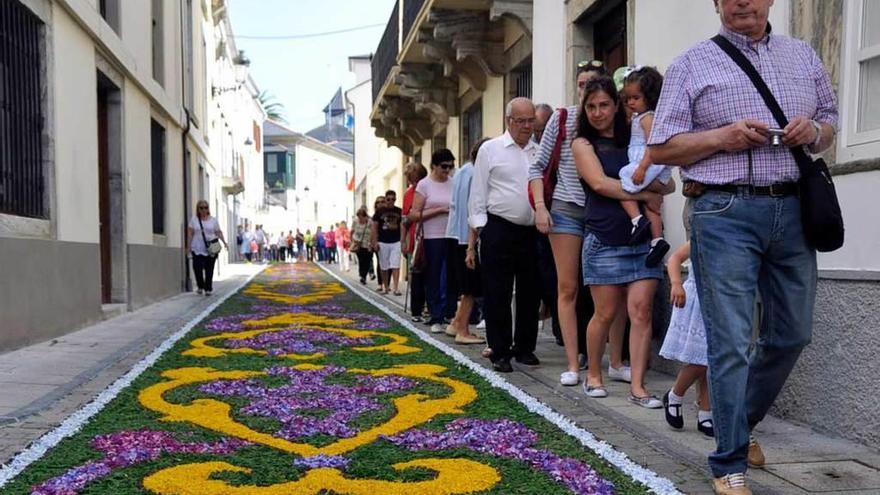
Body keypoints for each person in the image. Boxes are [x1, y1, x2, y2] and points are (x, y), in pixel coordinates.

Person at [647, 1, 838, 492]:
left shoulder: (804, 56)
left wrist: (812, 130)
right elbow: (661, 149)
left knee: (793, 332)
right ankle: (728, 463)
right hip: (723, 212)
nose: (741, 3)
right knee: (730, 339)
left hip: (793, 210)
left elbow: (830, 125)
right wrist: (721, 137)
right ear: (716, 4)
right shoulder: (691, 62)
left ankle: (738, 425)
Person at [571, 76, 671, 406]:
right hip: (604, 238)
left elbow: (667, 183)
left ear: (616, 105)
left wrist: (656, 189)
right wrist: (646, 192)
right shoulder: (582, 144)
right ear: (584, 110)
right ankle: (594, 374)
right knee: (605, 314)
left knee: (641, 312)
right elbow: (600, 185)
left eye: (604, 105)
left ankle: (638, 387)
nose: (598, 112)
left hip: (643, 242)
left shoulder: (637, 136)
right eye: (591, 106)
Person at [530, 62, 614, 386]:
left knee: (603, 290)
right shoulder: (562, 118)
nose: (586, 90)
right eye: (581, 84)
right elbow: (537, 166)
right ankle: (572, 364)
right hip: (566, 208)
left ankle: (605, 360)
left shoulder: (610, 120)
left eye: (593, 83)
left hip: (604, 210)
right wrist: (540, 207)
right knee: (567, 287)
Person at [468, 97, 541, 374]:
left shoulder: (537, 151)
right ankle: (500, 351)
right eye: (520, 121)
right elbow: (479, 192)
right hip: (499, 226)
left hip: (531, 229)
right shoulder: (491, 149)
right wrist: (482, 227)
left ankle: (524, 347)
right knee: (497, 290)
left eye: (530, 120)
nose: (526, 126)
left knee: (529, 290)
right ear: (508, 121)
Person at [618, 66, 672, 267]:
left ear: (649, 96)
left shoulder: (647, 117)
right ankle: (657, 240)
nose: (631, 102)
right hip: (649, 164)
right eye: (628, 98)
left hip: (649, 162)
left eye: (636, 98)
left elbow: (654, 144)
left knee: (624, 179)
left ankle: (636, 219)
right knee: (652, 203)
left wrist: (641, 167)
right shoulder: (639, 117)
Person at [660, 240, 713, 438]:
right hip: (697, 301)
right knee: (701, 360)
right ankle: (675, 394)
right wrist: (675, 283)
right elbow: (675, 258)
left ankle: (705, 411)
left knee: (710, 361)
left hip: (719, 302)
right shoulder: (703, 233)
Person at [445, 138, 489, 345]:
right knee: (471, 287)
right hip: (467, 235)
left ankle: (456, 322)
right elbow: (476, 206)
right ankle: (463, 329)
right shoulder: (475, 174)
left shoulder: (463, 171)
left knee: (466, 286)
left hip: (455, 233)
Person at [409, 149, 456, 334]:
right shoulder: (424, 185)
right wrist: (438, 210)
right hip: (432, 236)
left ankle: (449, 314)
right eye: (444, 166)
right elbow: (413, 214)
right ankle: (436, 315)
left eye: (451, 166)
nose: (448, 170)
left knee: (451, 276)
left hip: (452, 234)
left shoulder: (454, 182)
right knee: (434, 276)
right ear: (434, 166)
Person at [401, 163, 428, 321]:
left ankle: (429, 307)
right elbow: (405, 219)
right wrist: (402, 241)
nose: (413, 184)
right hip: (415, 240)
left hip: (430, 236)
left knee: (430, 275)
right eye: (411, 180)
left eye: (414, 179)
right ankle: (417, 309)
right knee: (416, 274)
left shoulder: (429, 187)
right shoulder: (408, 193)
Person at [186, 200, 227, 296]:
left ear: (208, 209)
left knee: (209, 269)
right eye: (201, 208)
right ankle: (200, 286)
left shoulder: (213, 220)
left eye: (206, 207)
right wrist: (188, 247)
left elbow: (218, 232)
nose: (204, 210)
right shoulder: (194, 220)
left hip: (212, 247)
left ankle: (208, 288)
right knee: (197, 268)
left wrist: (224, 242)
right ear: (198, 209)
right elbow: (190, 234)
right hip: (197, 248)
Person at [371, 190, 403, 295]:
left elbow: (403, 226)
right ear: (386, 199)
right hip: (383, 241)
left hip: (396, 241)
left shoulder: (399, 211)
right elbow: (374, 227)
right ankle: (386, 286)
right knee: (384, 266)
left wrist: (403, 240)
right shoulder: (379, 212)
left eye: (393, 199)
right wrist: (374, 242)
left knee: (395, 264)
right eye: (388, 199)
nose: (391, 201)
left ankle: (396, 288)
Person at [351, 208, 373, 284]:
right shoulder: (355, 221)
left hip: (367, 244)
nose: (360, 219)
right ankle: (362, 276)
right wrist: (352, 241)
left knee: (367, 260)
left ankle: (364, 274)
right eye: (358, 217)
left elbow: (372, 232)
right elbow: (352, 231)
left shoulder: (370, 222)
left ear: (365, 216)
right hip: (358, 244)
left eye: (361, 217)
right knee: (361, 260)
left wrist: (371, 243)